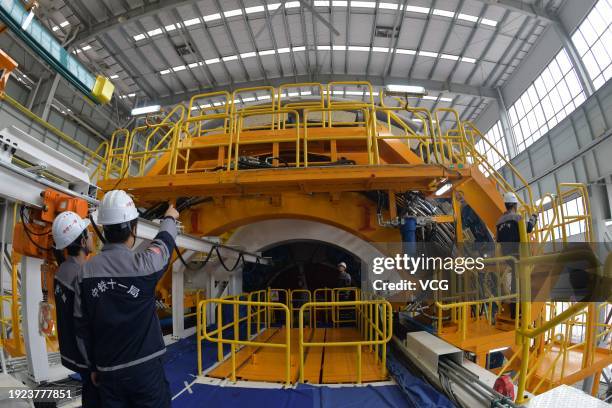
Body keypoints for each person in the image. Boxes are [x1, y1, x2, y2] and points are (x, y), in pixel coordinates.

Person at [74, 190, 179, 408]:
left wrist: (92, 366)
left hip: (108, 372)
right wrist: (169, 218)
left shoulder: (85, 273)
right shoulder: (145, 266)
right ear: (133, 228)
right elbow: (165, 243)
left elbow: (82, 326)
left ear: (103, 229)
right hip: (146, 370)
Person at [51, 211, 101, 407]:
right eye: (88, 233)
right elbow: (85, 326)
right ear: (82, 242)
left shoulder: (61, 271)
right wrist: (95, 364)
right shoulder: (80, 277)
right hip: (86, 359)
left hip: (70, 354)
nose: (92, 236)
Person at [496, 192, 537, 317]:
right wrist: (534, 217)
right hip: (518, 255)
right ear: (514, 205)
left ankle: (515, 311)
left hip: (507, 256)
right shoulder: (517, 218)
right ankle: (517, 312)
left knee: (515, 282)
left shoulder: (499, 222)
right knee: (519, 283)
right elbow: (528, 228)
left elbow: (498, 240)